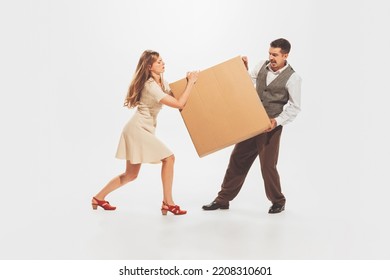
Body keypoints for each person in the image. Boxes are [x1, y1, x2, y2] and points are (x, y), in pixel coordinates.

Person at [92, 50, 199, 215]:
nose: (163, 63)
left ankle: (98, 198)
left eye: (162, 61)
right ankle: (168, 203)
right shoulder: (150, 85)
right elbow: (179, 104)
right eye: (159, 62)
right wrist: (191, 82)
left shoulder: (161, 82)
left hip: (142, 129)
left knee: (130, 175)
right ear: (149, 67)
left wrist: (188, 82)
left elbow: (176, 94)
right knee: (169, 158)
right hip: (137, 129)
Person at [202, 38, 302, 214]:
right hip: (251, 120)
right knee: (237, 159)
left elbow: (295, 107)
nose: (271, 57)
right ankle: (223, 199)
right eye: (270, 53)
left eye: (275, 55)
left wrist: (276, 121)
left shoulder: (293, 78)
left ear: (285, 55)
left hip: (271, 126)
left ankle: (278, 201)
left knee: (267, 166)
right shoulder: (262, 65)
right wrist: (243, 70)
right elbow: (247, 83)